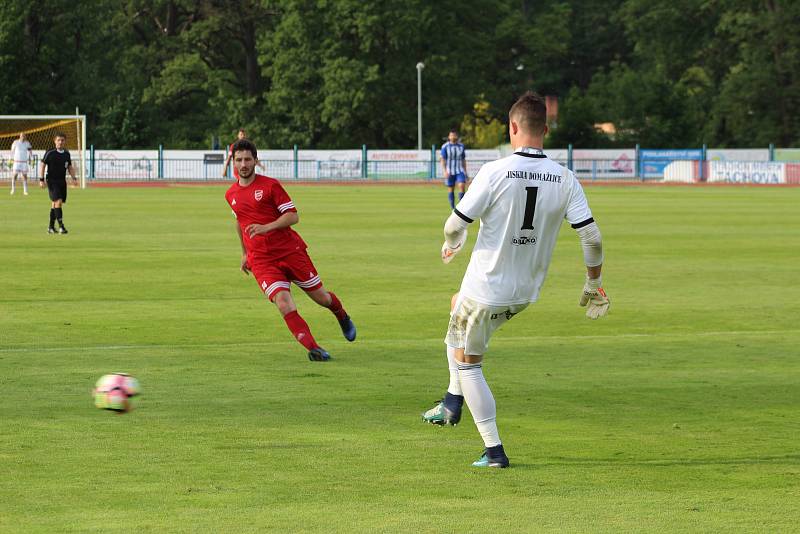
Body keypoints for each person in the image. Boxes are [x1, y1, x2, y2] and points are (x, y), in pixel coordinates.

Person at [421, 92, 610, 468]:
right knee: (456, 305)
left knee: (468, 362)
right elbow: (591, 237)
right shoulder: (565, 178)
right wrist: (593, 283)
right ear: (546, 129)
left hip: (488, 288)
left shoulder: (495, 170)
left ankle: (493, 451)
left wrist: (451, 242)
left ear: (512, 127)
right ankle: (451, 402)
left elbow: (455, 222)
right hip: (524, 292)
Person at [224, 139, 356, 361]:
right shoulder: (231, 194)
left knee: (322, 298)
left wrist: (267, 227)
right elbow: (240, 222)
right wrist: (245, 253)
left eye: (247, 159)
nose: (243, 164)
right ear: (234, 163)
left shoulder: (270, 186)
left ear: (256, 161)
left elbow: (293, 216)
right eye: (239, 160)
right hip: (262, 260)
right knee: (283, 303)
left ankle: (341, 316)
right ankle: (314, 349)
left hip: (290, 252)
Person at [39, 132, 77, 234]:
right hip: (52, 181)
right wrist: (41, 180)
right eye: (58, 140)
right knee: (58, 202)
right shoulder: (50, 152)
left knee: (55, 204)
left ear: (65, 141)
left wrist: (74, 178)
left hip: (62, 181)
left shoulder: (66, 154)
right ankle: (61, 227)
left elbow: (69, 167)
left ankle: (50, 227)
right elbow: (42, 165)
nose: (60, 142)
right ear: (55, 141)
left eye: (62, 140)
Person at [440, 130, 468, 209]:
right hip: (450, 171)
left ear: (457, 136)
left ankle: (461, 207)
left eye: (454, 135)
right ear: (449, 137)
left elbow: (463, 159)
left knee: (462, 185)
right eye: (451, 135)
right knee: (451, 189)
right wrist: (445, 171)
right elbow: (442, 159)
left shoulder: (461, 146)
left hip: (459, 170)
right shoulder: (445, 146)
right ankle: (452, 208)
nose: (453, 137)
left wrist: (465, 172)